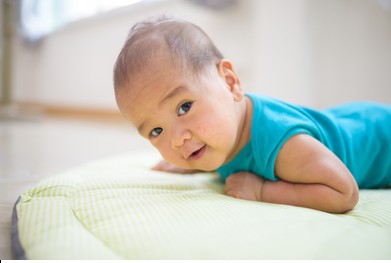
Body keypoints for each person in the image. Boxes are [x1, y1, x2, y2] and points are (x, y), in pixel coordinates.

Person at [113, 16, 391, 214]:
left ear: (230, 82)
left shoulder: (282, 143)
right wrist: (194, 162)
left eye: (184, 107)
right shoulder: (219, 135)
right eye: (156, 131)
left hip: (382, 135)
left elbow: (344, 193)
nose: (176, 140)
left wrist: (263, 192)